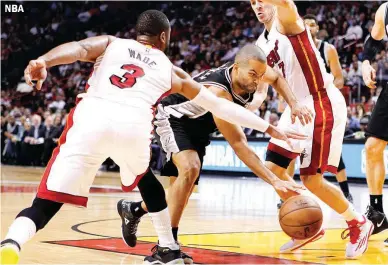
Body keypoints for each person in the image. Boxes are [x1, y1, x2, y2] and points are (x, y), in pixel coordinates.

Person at [0, 10, 304, 264]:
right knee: (162, 178)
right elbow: (224, 115)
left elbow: (78, 50)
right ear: (164, 38)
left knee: (45, 203)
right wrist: (270, 128)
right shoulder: (173, 70)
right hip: (146, 124)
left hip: (92, 119)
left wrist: (43, 61)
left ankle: (12, 242)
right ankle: (168, 247)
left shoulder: (112, 43)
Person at [117, 44, 313, 264]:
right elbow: (239, 144)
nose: (257, 81)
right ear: (236, 67)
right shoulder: (220, 92)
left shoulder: (252, 69)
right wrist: (274, 180)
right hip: (173, 117)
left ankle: (134, 209)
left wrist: (294, 103)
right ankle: (166, 248)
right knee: (190, 169)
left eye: (260, 76)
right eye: (253, 75)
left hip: (201, 125)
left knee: (182, 190)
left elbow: (276, 79)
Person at [250, 0, 373, 258]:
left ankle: (358, 222)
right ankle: (311, 222)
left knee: (311, 179)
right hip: (294, 109)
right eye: (252, 2)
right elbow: (262, 90)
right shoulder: (260, 45)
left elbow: (283, 2)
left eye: (261, 1)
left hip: (320, 102)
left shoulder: (288, 22)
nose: (258, 6)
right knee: (271, 169)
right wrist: (248, 111)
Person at [277, 15, 354, 208]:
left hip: (323, 104)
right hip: (301, 106)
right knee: (291, 149)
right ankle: (288, 193)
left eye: (313, 24)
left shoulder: (328, 49)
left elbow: (339, 79)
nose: (309, 27)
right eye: (306, 24)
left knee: (336, 155)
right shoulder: (293, 49)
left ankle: (345, 193)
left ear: (317, 27)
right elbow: (285, 79)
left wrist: (323, 93)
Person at [361, 2, 388, 247]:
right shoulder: (385, 9)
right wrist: (366, 63)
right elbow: (372, 41)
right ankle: (377, 214)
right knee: (372, 147)